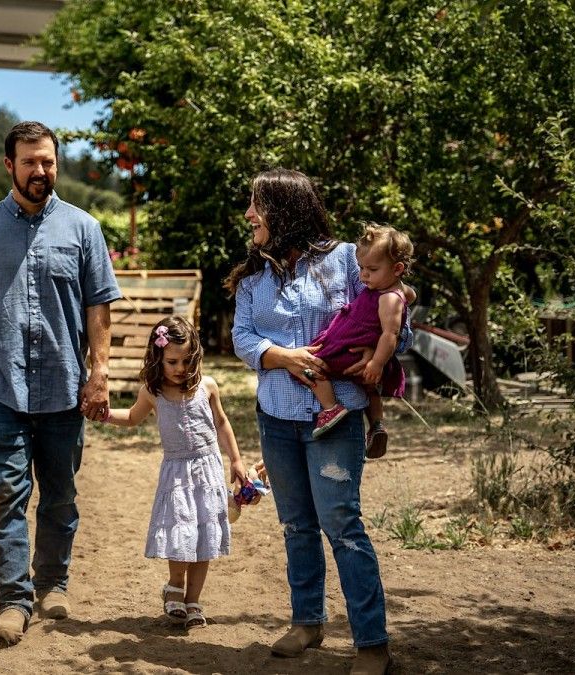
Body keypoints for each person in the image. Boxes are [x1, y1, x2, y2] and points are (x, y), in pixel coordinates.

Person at [0, 121, 121, 647]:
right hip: (1, 388)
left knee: (61, 495)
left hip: (65, 387)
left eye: (47, 161)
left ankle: (54, 584)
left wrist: (100, 374)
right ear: (8, 166)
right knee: (5, 496)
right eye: (29, 162)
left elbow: (98, 307)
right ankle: (15, 600)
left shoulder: (84, 228)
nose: (40, 171)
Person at [227, 168, 410, 675]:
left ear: (286, 209)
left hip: (337, 415)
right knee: (296, 525)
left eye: (256, 205)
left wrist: (374, 354)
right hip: (277, 416)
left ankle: (372, 643)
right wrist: (281, 356)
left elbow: (395, 315)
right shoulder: (253, 278)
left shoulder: (346, 261)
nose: (249, 215)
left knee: (342, 524)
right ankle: (307, 622)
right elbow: (243, 339)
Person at [97, 316, 248, 629]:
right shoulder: (153, 393)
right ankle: (174, 587)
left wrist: (235, 459)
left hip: (207, 471)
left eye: (187, 360)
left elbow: (221, 423)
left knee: (204, 535)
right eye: (172, 361)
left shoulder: (207, 386)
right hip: (177, 474)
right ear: (158, 359)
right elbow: (131, 418)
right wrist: (106, 414)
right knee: (182, 532)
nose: (181, 368)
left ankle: (193, 600)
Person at [303, 225, 415, 459]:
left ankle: (331, 408)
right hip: (361, 348)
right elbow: (410, 294)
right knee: (369, 388)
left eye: (372, 269)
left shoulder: (388, 299)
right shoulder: (390, 289)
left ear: (397, 268)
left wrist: (377, 362)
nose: (363, 275)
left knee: (311, 367)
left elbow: (390, 334)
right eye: (362, 268)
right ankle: (376, 424)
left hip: (350, 348)